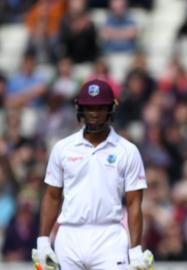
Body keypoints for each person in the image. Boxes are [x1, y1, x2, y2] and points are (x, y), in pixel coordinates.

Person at [32, 79, 153, 269]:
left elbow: (134, 203)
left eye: (101, 108)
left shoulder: (127, 151)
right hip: (69, 236)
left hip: (110, 237)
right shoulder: (63, 148)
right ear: (80, 109)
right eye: (89, 108)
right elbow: (52, 196)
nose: (95, 114)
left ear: (111, 109)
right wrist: (43, 240)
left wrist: (135, 250)